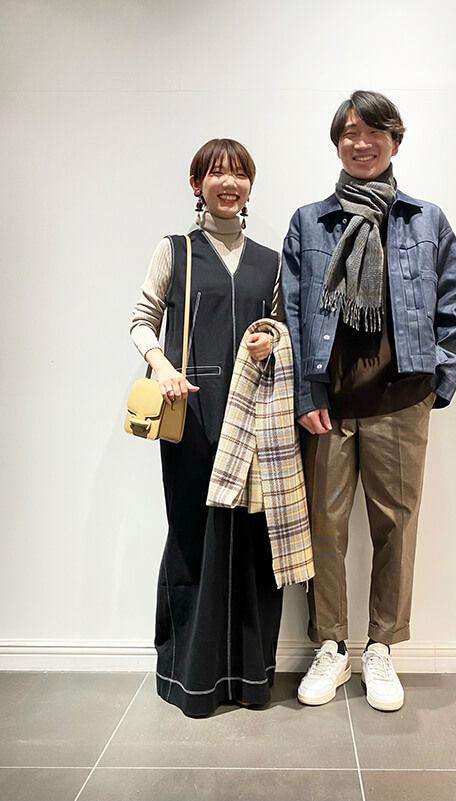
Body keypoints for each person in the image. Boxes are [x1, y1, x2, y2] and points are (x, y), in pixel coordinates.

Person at [281, 91, 456, 712]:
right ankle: (332, 645)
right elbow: (293, 313)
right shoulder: (310, 222)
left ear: (395, 141)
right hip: (328, 406)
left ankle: (382, 648)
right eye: (349, 133)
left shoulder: (426, 220)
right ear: (337, 143)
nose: (360, 144)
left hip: (400, 400)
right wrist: (306, 392)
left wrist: (433, 388)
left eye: (373, 133)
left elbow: (455, 311)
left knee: (396, 527)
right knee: (324, 528)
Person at [130, 138, 282, 717]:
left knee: (252, 540)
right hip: (190, 413)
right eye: (217, 172)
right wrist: (163, 367)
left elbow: (284, 328)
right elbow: (142, 320)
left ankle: (250, 676)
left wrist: (272, 340)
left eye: (239, 173)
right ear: (198, 185)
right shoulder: (176, 251)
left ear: (249, 186)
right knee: (194, 535)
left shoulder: (270, 261)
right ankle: (189, 677)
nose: (229, 182)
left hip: (254, 417)